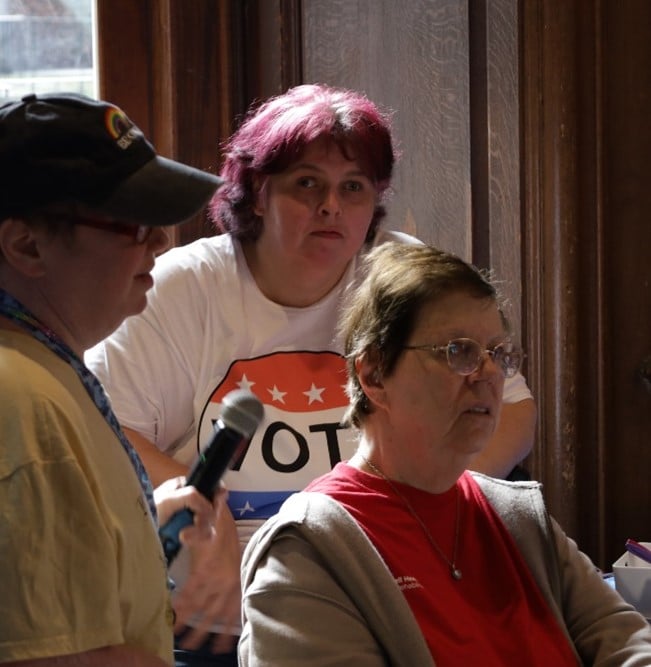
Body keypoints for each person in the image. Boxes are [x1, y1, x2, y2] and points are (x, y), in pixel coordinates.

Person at [85, 83, 536, 664]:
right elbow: (102, 430)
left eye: (353, 188)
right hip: (211, 615)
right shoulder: (182, 288)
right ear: (255, 195)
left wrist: (409, 507)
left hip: (374, 599)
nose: (332, 206)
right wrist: (208, 506)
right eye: (307, 184)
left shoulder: (400, 278)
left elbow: (514, 413)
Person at [239, 241, 651, 665]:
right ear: (374, 375)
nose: (489, 373)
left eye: (498, 353)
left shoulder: (520, 517)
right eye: (459, 351)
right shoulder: (306, 548)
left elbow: (627, 640)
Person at [0, 92, 227, 665]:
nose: (161, 241)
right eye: (132, 223)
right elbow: (54, 657)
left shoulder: (40, 365)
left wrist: (139, 526)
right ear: (27, 245)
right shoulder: (22, 400)